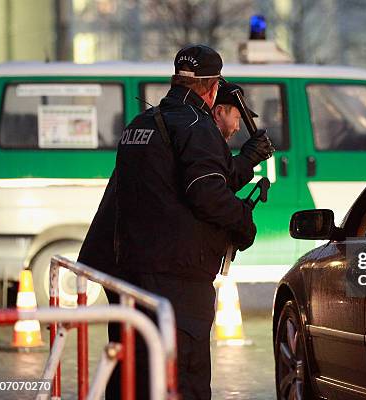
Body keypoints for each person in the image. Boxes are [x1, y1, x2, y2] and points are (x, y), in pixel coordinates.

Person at [77, 44, 274, 400]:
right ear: (213, 89)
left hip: (127, 270)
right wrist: (243, 223)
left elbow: (194, 177)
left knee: (131, 371)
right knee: (182, 377)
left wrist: (245, 159)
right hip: (175, 277)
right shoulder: (197, 126)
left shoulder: (143, 123)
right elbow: (206, 192)